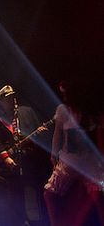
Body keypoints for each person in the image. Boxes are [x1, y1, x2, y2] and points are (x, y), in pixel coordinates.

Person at [44, 79, 104, 226]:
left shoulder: (63, 109)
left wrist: (53, 155)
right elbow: (99, 136)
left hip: (70, 162)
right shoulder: (92, 110)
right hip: (91, 163)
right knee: (98, 196)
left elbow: (57, 135)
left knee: (49, 194)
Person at [0, 84, 49, 226]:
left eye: (11, 97)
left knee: (35, 196)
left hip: (31, 163)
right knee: (15, 198)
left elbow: (40, 134)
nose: (11, 101)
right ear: (1, 103)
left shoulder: (27, 112)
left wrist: (40, 133)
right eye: (6, 99)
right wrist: (6, 158)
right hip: (12, 166)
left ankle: (38, 222)